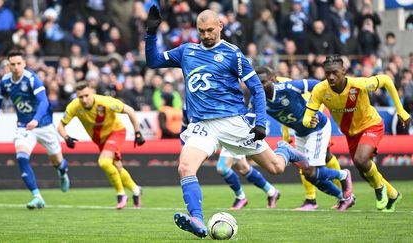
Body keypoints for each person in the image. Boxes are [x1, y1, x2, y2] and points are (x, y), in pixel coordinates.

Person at [145, 6, 308, 238]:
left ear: (220, 26)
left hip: (233, 122)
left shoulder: (233, 54)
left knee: (276, 168)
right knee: (185, 167)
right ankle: (197, 220)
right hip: (202, 125)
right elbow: (153, 61)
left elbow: (257, 90)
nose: (207, 35)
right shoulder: (186, 51)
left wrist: (260, 123)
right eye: (202, 31)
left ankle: (285, 151)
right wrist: (150, 33)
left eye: (210, 30)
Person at [303, 54, 411, 212]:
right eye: (328, 73)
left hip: (371, 125)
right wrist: (309, 121)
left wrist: (401, 110)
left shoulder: (360, 84)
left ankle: (379, 188)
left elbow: (387, 80)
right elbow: (307, 117)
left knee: (361, 160)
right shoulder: (320, 90)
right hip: (351, 133)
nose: (331, 77)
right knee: (364, 171)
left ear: (344, 71)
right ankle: (393, 194)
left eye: (335, 73)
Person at [255, 66, 354, 211]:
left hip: (317, 127)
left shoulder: (287, 87)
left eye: (263, 82)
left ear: (273, 80)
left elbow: (317, 85)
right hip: (300, 132)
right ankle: (343, 197)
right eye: (257, 83)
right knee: (309, 175)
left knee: (312, 170)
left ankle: (344, 175)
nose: (261, 86)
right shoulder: (256, 99)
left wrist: (315, 108)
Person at [0, 50, 70, 209]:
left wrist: (36, 120)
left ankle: (62, 171)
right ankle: (37, 196)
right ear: (8, 65)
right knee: (21, 157)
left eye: (19, 63)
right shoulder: (5, 82)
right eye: (13, 64)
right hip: (24, 127)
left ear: (24, 63)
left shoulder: (32, 79)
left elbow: (44, 102)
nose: (16, 67)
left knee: (57, 162)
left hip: (44, 125)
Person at [57, 81, 145, 209]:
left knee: (104, 162)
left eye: (86, 95)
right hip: (100, 140)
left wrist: (138, 132)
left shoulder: (105, 102)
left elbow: (130, 111)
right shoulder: (74, 107)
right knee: (117, 167)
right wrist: (66, 137)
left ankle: (121, 195)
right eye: (80, 97)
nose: (84, 99)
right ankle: (136, 190)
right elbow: (60, 125)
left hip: (116, 132)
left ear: (92, 92)